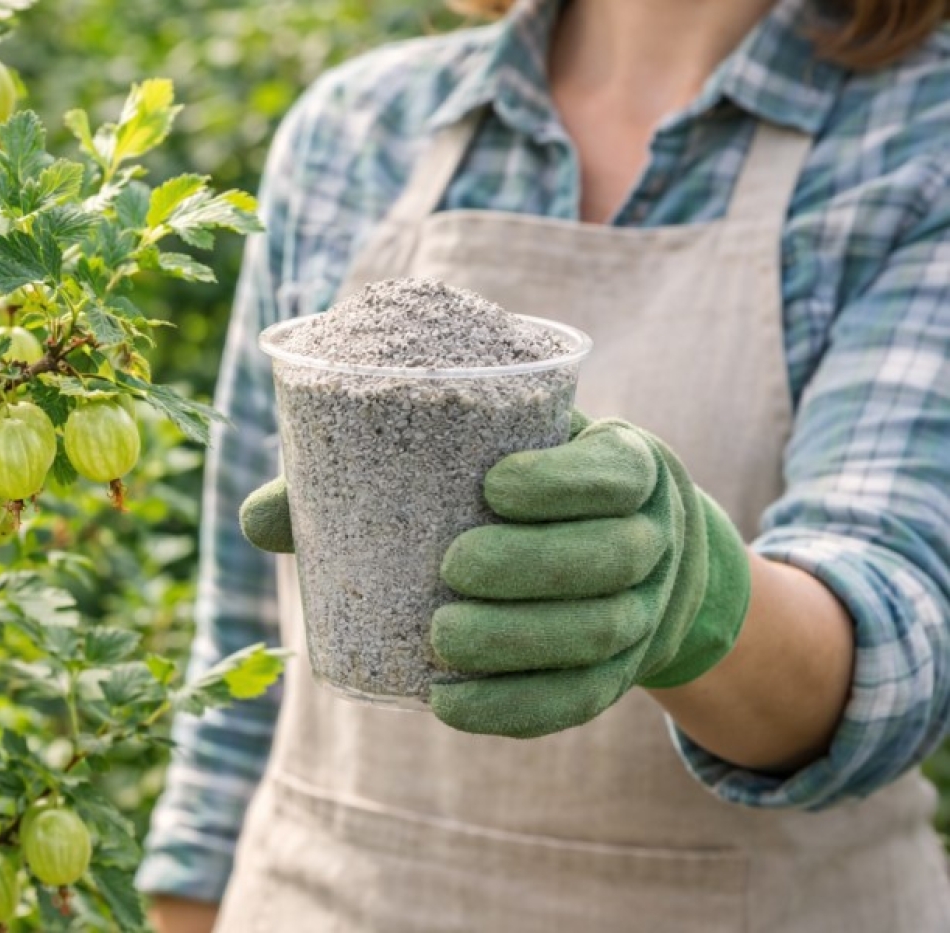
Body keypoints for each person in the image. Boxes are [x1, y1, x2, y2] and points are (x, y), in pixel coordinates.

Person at [138, 0, 950, 928]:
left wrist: (693, 596)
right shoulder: (359, 129)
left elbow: (903, 647)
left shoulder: (920, 136)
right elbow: (243, 647)